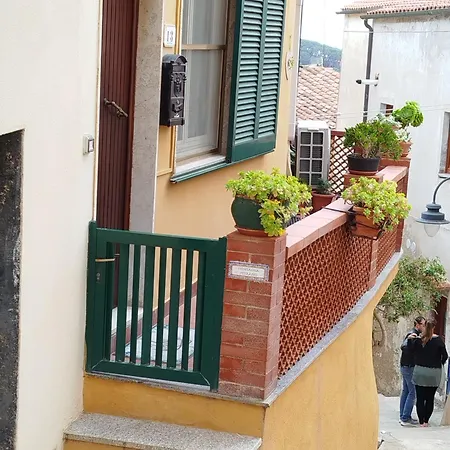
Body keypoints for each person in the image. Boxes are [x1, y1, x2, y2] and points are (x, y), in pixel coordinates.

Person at [407, 320, 448, 427]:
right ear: (434, 327)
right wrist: (438, 363)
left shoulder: (419, 339)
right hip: (434, 373)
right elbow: (445, 356)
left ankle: (421, 422)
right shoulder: (439, 341)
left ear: (424, 327)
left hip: (420, 371)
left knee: (420, 398)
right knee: (430, 398)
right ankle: (426, 421)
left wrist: (410, 340)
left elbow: (410, 351)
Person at [399, 316, 425, 426]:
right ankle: (405, 418)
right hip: (409, 367)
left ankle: (403, 415)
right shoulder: (413, 335)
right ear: (418, 325)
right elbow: (404, 347)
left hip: (405, 366)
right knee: (412, 392)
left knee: (406, 390)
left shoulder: (414, 335)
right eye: (423, 324)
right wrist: (410, 340)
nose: (424, 327)